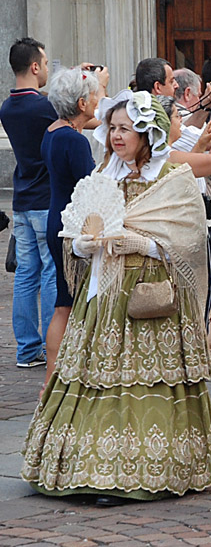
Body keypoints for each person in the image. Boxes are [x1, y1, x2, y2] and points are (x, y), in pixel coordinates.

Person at [21, 88, 211, 506]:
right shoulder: (100, 177)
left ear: (148, 133)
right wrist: (84, 246)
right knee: (96, 376)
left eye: (126, 129)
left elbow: (187, 241)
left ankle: (138, 473)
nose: (116, 136)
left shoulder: (173, 178)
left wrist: (141, 244)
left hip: (151, 298)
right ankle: (90, 469)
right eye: (112, 128)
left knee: (147, 379)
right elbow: (75, 231)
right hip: (103, 295)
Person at [41, 66, 109, 383]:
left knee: (63, 302)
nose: (97, 101)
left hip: (57, 219)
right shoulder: (73, 140)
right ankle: (57, 376)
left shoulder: (54, 131)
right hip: (72, 228)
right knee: (68, 304)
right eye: (94, 95)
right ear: (82, 103)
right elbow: (89, 186)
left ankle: (53, 375)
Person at [1, 37, 57, 369]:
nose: (48, 68)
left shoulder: (8, 106)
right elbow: (81, 118)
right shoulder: (42, 106)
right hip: (45, 199)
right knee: (50, 271)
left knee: (25, 274)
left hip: (21, 199)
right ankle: (52, 344)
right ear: (34, 66)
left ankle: (26, 349)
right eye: (47, 63)